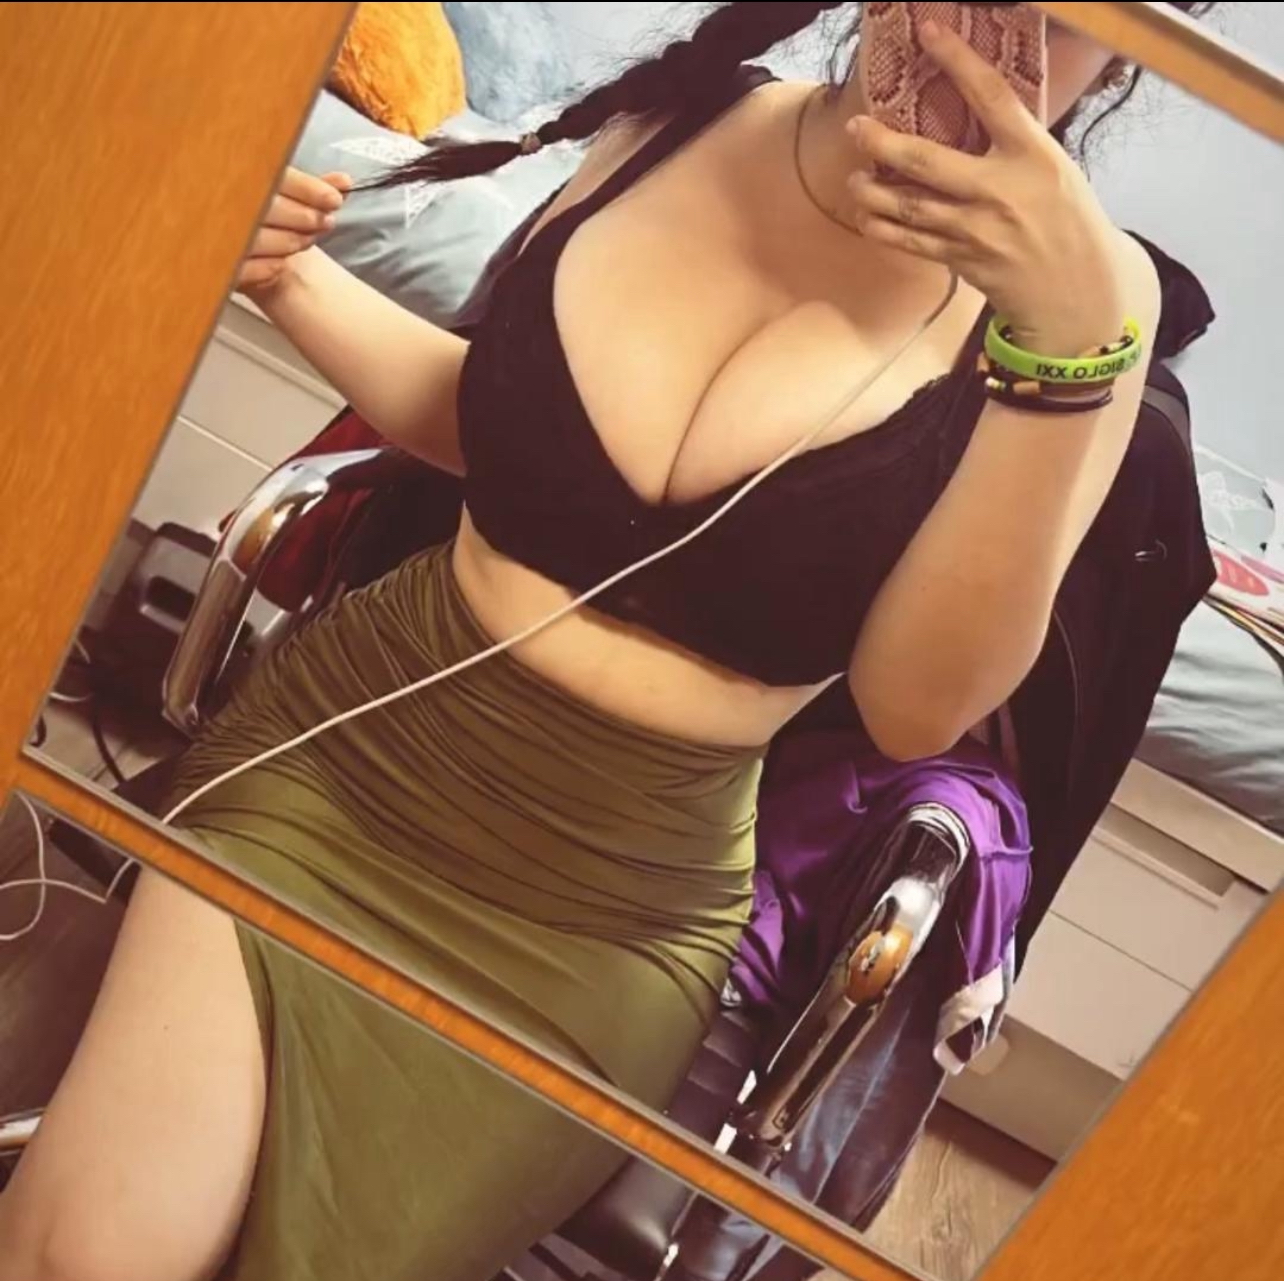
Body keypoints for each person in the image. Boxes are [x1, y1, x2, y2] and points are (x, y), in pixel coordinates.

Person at [0, 4, 1215, 1279]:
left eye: (1064, 18)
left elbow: (916, 707)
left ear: (1130, 51)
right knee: (88, 1255)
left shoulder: (1093, 309)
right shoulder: (685, 118)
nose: (993, 36)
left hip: (605, 917)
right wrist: (288, 276)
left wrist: (1061, 359)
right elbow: (491, 429)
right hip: (338, 768)